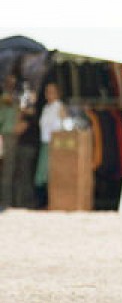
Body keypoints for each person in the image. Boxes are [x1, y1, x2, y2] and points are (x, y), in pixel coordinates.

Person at [34, 81, 66, 209]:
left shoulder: (60, 107)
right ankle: (44, 203)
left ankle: (51, 203)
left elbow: (64, 126)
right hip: (45, 143)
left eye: (52, 91)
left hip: (55, 145)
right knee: (42, 175)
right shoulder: (46, 108)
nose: (49, 94)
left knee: (51, 174)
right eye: (47, 91)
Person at [0, 73, 20, 209]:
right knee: (8, 171)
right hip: (7, 136)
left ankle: (9, 202)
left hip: (12, 136)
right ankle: (6, 202)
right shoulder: (5, 99)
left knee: (11, 171)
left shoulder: (16, 98)